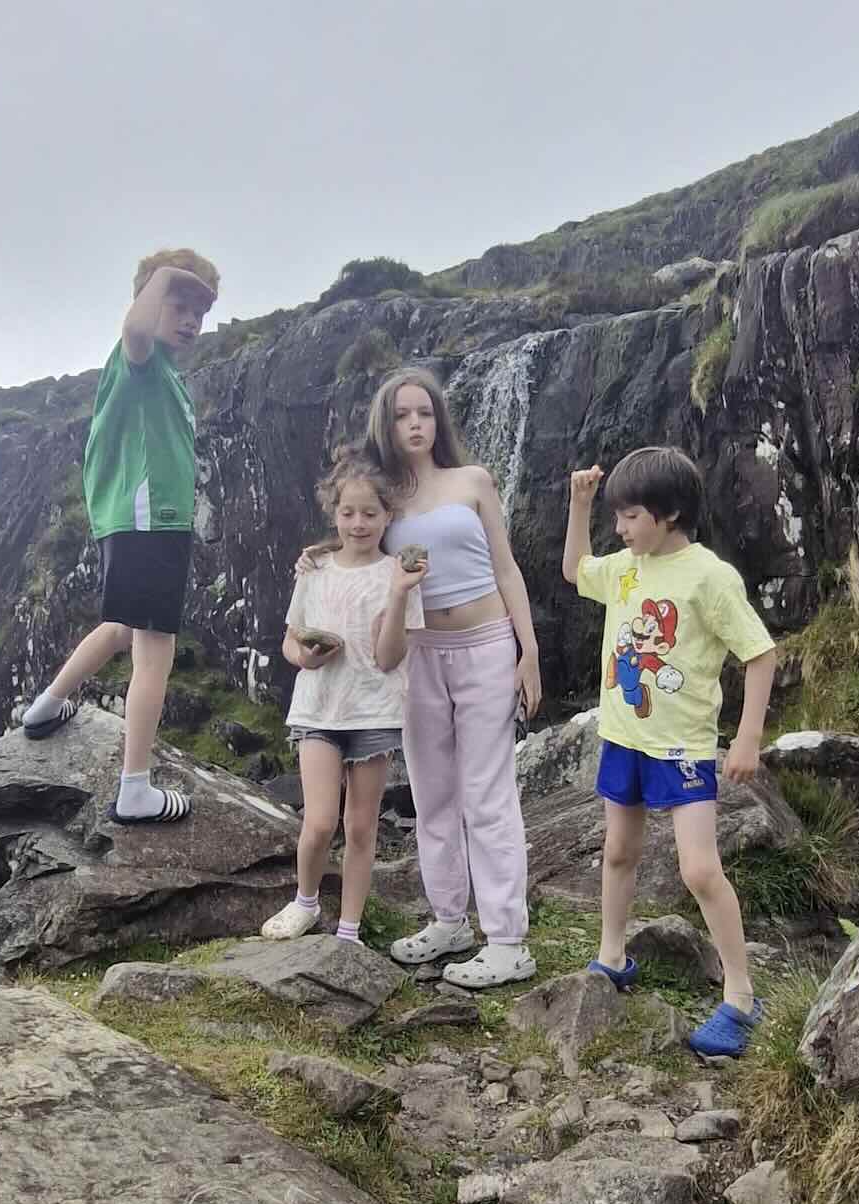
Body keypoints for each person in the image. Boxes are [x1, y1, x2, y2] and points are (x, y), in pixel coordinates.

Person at [300, 367, 542, 987]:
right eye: (403, 414)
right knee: (432, 793)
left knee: (487, 792)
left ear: (439, 419)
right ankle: (449, 920)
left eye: (425, 412)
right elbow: (354, 541)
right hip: (416, 654)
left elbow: (507, 569)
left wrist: (529, 650)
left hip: (486, 645)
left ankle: (508, 941)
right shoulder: (385, 497)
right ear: (386, 423)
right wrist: (318, 554)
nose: (415, 424)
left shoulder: (473, 481)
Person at [562, 446, 777, 1057]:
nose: (620, 529)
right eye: (617, 517)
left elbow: (761, 654)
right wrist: (579, 505)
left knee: (699, 869)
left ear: (671, 513)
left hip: (682, 747)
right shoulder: (627, 567)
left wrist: (747, 737)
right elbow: (575, 571)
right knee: (618, 850)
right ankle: (612, 956)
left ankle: (740, 997)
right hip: (623, 736)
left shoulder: (709, 576)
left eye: (631, 517)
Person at [20, 248, 218, 825]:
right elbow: (135, 328)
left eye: (199, 312)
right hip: (150, 520)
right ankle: (135, 790)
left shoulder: (166, 373)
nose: (190, 320)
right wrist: (163, 276)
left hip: (144, 522)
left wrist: (172, 285)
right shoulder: (142, 358)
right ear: (150, 301)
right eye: (178, 306)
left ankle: (46, 706)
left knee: (123, 627)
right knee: (156, 651)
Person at [261, 448, 426, 944]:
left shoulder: (399, 574)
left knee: (359, 827)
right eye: (348, 512)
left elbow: (390, 658)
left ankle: (349, 930)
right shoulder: (314, 568)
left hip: (374, 712)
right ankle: (305, 901)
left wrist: (398, 593)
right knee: (317, 823)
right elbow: (290, 640)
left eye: (370, 513)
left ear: (388, 515)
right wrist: (304, 657)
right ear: (334, 513)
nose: (358, 523)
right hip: (317, 710)